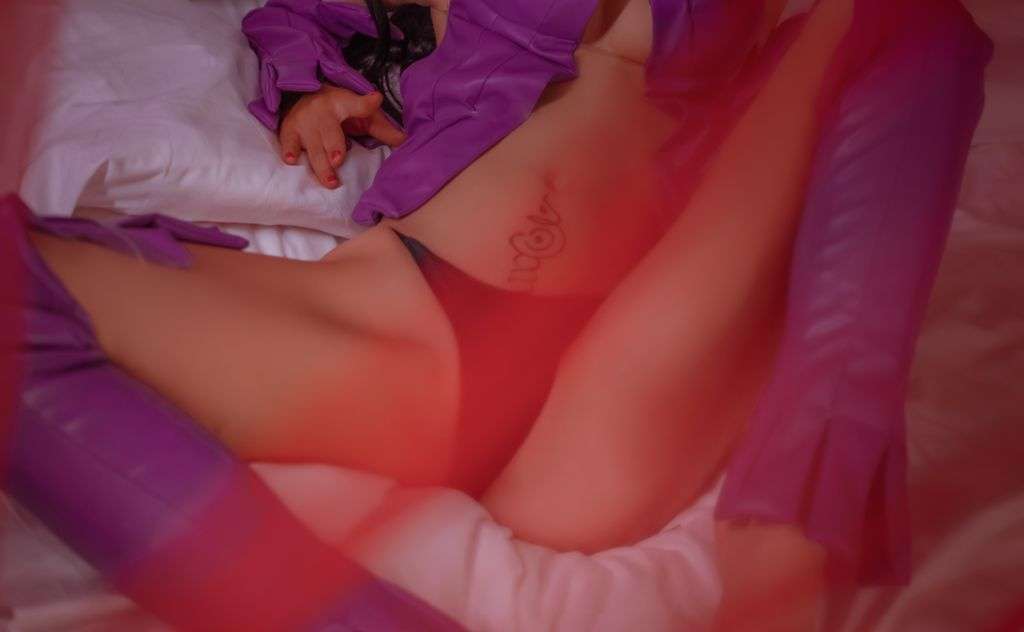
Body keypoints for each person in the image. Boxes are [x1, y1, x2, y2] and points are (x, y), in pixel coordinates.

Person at [4, 0, 991, 629]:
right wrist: (308, 89)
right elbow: (290, 17)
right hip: (401, 325)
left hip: (622, 374)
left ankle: (798, 525)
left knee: (913, 19)